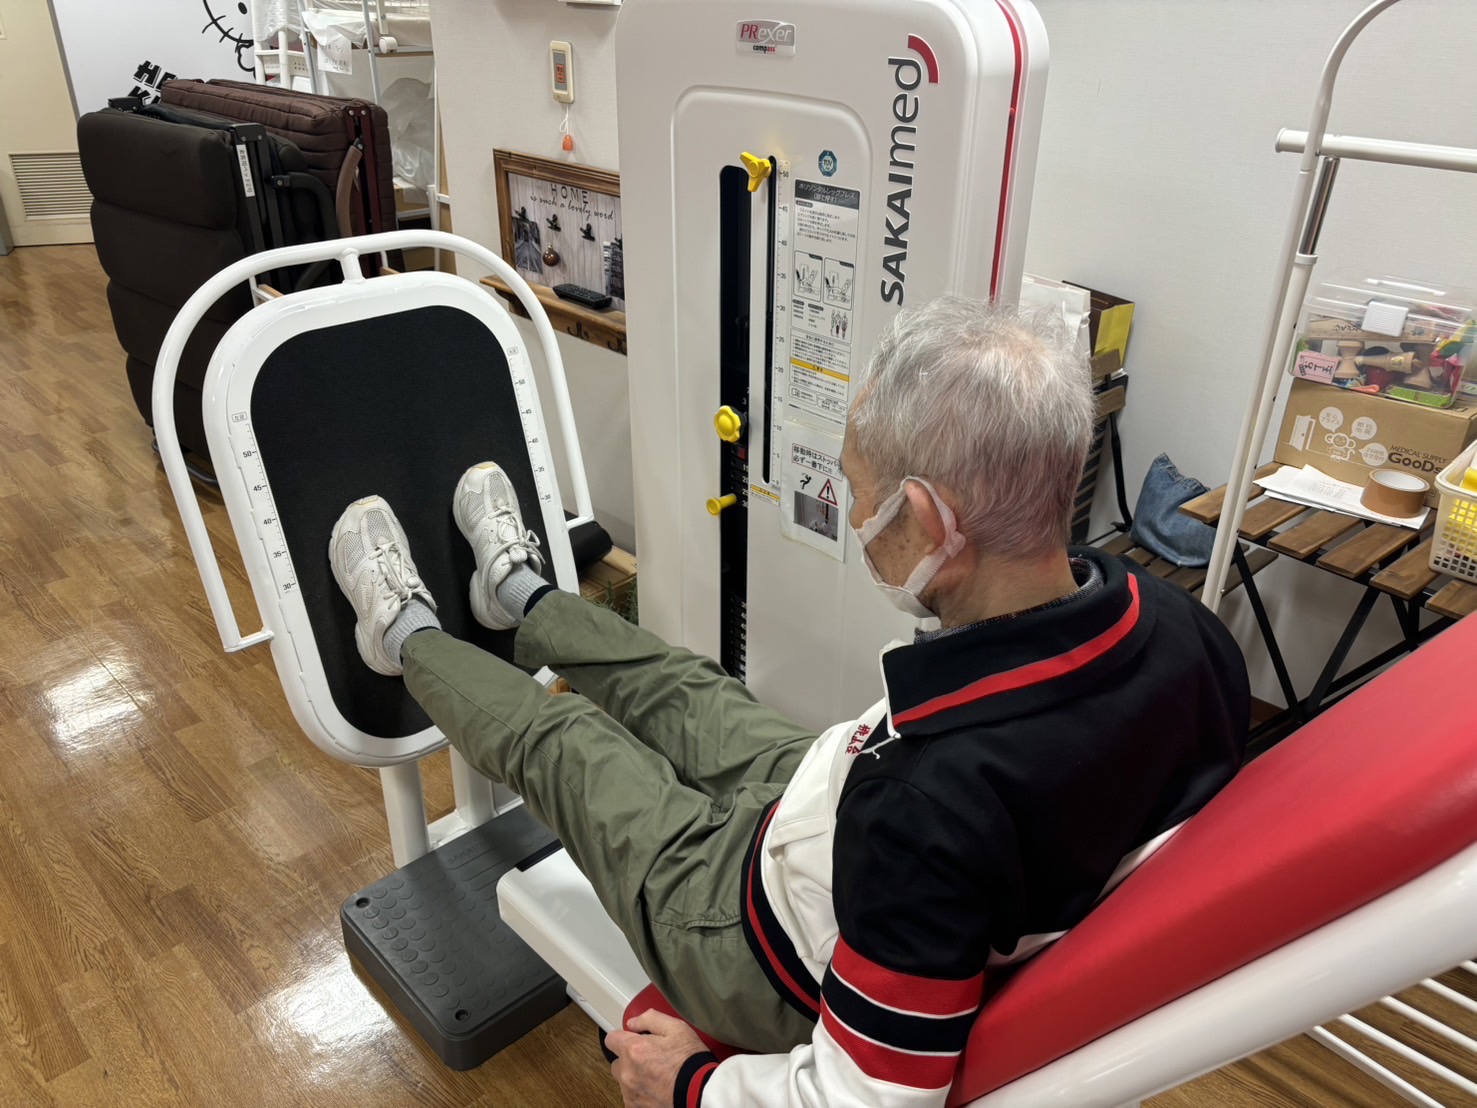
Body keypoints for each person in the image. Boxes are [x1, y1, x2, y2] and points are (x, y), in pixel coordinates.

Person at [327, 296, 1250, 1108]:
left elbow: (863, 1098)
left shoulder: (931, 807)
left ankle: (403, 634)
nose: (853, 515)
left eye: (858, 493)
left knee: (567, 739)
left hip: (746, 940)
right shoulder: (1182, 630)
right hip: (838, 808)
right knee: (684, 685)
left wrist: (691, 1085)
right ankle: (519, 596)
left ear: (930, 522)